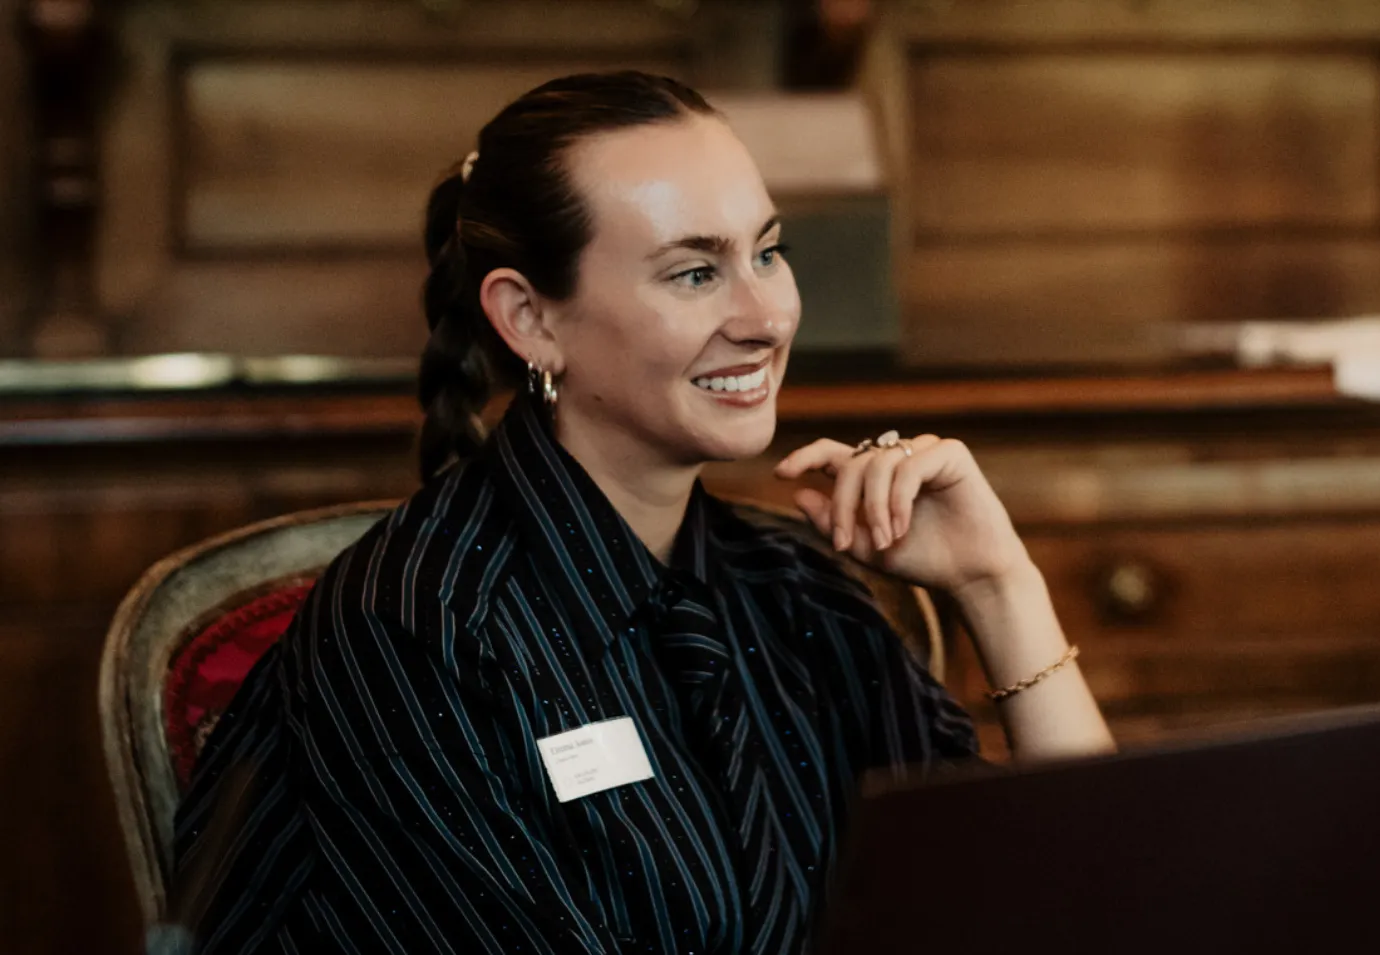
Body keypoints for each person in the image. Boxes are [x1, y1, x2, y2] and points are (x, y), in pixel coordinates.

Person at [170, 71, 1113, 955]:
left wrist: (999, 587)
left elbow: (1087, 905)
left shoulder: (792, 590)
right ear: (531, 319)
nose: (765, 316)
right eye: (693, 273)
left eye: (767, 252)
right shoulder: (414, 629)